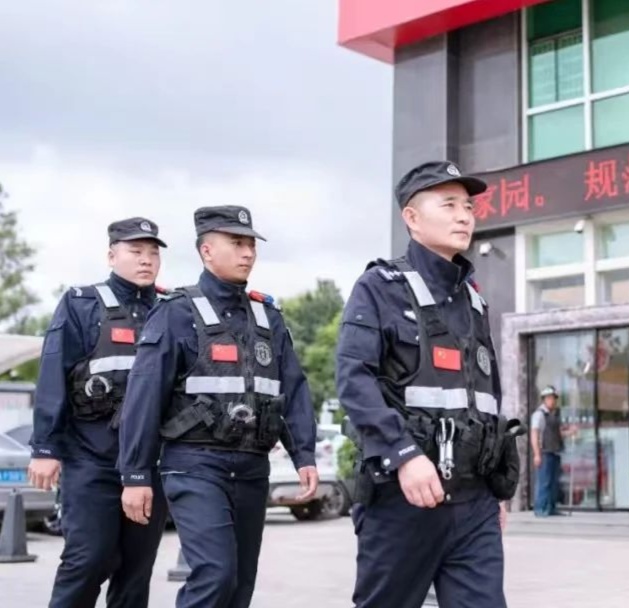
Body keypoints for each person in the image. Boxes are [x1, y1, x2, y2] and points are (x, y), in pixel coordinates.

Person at [337, 160, 522, 608]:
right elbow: (354, 379)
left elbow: (486, 399)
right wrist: (403, 455)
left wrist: (494, 487)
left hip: (474, 502)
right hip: (405, 497)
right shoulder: (379, 287)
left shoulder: (474, 299)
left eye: (468, 207)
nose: (464, 216)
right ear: (412, 217)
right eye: (449, 205)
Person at [117, 206, 319, 608]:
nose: (248, 253)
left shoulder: (268, 317)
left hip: (252, 466)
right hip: (194, 464)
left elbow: (292, 389)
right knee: (215, 573)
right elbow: (144, 396)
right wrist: (135, 474)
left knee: (240, 585)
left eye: (251, 245)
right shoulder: (176, 313)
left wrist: (304, 454)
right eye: (237, 243)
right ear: (206, 251)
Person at [27, 217, 170, 608]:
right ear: (111, 256)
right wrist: (45, 447)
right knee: (89, 559)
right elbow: (53, 373)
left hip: (150, 463)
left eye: (153, 253)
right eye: (136, 251)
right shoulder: (81, 303)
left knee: (136, 572)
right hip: (91, 459)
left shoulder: (170, 310)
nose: (146, 260)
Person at [530, 385, 567, 517]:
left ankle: (551, 508)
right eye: (550, 398)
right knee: (544, 482)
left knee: (553, 483)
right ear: (544, 399)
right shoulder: (539, 415)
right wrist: (537, 454)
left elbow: (558, 433)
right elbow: (534, 434)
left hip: (555, 451)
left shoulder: (554, 414)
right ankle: (540, 508)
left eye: (554, 398)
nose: (553, 401)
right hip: (544, 452)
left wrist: (570, 432)